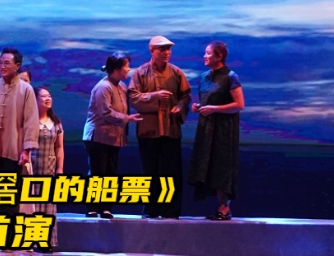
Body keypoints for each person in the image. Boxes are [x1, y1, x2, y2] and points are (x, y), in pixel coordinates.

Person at [0, 48, 39, 245]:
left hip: (12, 152)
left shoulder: (26, 90)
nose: (2, 66)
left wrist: (26, 150)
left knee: (7, 200)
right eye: (0, 62)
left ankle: (7, 243)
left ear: (17, 66)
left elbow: (31, 121)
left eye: (7, 63)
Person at [129, 36, 191, 219]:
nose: (166, 53)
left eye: (168, 49)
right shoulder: (140, 73)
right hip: (149, 129)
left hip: (170, 128)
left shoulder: (176, 72)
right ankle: (150, 209)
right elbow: (133, 97)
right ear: (152, 51)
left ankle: (170, 210)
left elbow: (185, 96)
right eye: (162, 49)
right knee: (150, 171)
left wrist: (179, 107)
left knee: (171, 172)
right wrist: (153, 95)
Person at [188, 41, 245, 220]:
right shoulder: (205, 77)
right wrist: (198, 107)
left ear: (219, 56)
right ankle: (220, 206)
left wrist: (214, 108)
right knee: (208, 166)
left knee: (222, 166)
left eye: (208, 53)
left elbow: (239, 104)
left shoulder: (230, 76)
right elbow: (208, 100)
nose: (205, 56)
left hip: (223, 130)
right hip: (206, 128)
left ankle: (224, 208)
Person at [82, 54, 142, 219]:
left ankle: (106, 207)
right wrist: (128, 118)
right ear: (116, 69)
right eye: (126, 66)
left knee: (110, 173)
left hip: (113, 137)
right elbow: (106, 112)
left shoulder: (121, 86)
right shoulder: (103, 87)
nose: (129, 69)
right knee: (97, 173)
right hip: (98, 137)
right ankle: (92, 207)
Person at [29, 86, 64, 249]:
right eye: (43, 96)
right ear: (35, 100)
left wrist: (60, 169)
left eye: (49, 96)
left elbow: (59, 147)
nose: (48, 99)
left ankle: (46, 241)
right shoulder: (29, 120)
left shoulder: (55, 122)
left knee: (47, 206)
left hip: (48, 168)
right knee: (31, 205)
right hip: (32, 168)